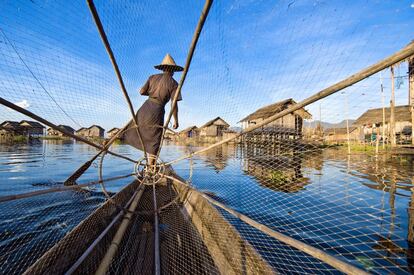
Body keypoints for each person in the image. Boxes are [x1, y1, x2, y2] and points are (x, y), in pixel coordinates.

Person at [123, 53, 183, 167]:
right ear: (173, 70)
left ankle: (148, 165)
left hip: (145, 108)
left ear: (163, 68)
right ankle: (151, 167)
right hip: (157, 111)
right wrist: (176, 120)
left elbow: (141, 91)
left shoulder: (152, 77)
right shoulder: (174, 83)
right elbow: (173, 104)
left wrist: (151, 92)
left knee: (138, 131)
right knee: (155, 139)